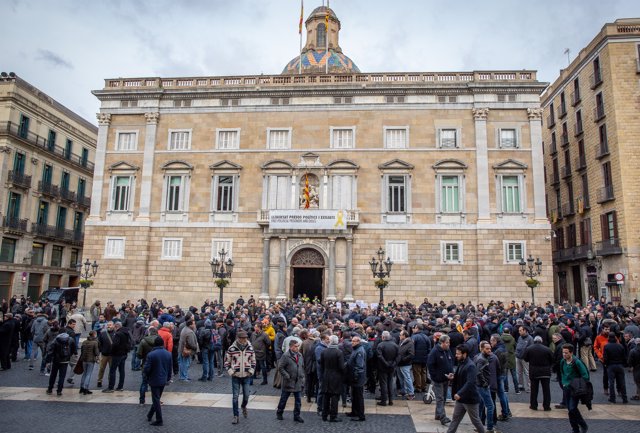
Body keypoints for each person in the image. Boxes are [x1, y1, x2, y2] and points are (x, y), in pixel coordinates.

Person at [447, 344, 485, 433]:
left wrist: (459, 393)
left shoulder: (470, 365)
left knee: (475, 421)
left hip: (469, 399)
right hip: (461, 399)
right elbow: (462, 376)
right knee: (455, 419)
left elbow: (470, 382)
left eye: (458, 354)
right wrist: (453, 377)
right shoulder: (462, 363)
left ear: (464, 354)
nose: (456, 355)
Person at [224, 330, 256, 425]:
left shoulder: (250, 348)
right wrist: (230, 371)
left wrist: (251, 370)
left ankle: (243, 406)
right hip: (236, 376)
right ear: (239, 339)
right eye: (243, 338)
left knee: (246, 395)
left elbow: (253, 361)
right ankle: (235, 416)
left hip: (246, 375)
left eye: (246, 338)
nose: (245, 340)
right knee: (235, 397)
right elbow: (226, 362)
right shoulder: (232, 349)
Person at [560, 344, 589, 433]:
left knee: (572, 408)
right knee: (570, 410)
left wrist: (577, 384)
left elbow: (585, 376)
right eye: (563, 353)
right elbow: (563, 373)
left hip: (575, 390)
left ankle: (583, 424)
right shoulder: (562, 361)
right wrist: (564, 383)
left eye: (566, 353)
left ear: (571, 353)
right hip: (566, 389)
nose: (564, 355)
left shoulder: (577, 362)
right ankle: (575, 429)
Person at [144, 336, 173, 426]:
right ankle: (150, 415)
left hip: (154, 379)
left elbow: (147, 368)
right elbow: (169, 368)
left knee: (156, 399)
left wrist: (146, 376)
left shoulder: (151, 354)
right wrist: (168, 378)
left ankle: (159, 420)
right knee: (157, 398)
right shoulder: (168, 354)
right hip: (163, 379)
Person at [276, 339, 305, 423]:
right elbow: (280, 367)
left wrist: (302, 376)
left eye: (298, 346)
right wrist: (287, 376)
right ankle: (279, 412)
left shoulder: (299, 355)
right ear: (291, 347)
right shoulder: (285, 356)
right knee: (284, 399)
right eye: (296, 346)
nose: (297, 348)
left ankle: (297, 416)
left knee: (298, 401)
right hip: (288, 382)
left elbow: (302, 366)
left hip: (298, 382)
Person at [428, 334, 454, 426]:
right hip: (438, 379)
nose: (449, 344)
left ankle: (438, 415)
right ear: (441, 343)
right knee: (440, 398)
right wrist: (435, 377)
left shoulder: (447, 350)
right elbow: (430, 365)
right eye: (447, 343)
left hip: (446, 378)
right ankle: (443, 417)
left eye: (449, 342)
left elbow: (451, 361)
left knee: (442, 398)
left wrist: (451, 372)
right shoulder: (435, 352)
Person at [523, 335, 554, 411]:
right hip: (545, 372)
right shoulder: (547, 349)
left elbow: (526, 359)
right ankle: (546, 406)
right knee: (546, 390)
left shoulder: (529, 349)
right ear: (541, 341)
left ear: (534, 341)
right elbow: (552, 360)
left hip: (534, 372)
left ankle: (534, 405)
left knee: (534, 390)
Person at [475, 341, 499, 433]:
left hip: (482, 385)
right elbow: (478, 372)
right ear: (482, 349)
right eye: (487, 349)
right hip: (482, 386)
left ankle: (479, 426)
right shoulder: (482, 359)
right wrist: (485, 383)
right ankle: (489, 427)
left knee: (481, 406)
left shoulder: (482, 357)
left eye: (490, 348)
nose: (489, 350)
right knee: (490, 406)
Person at [319, 334, 345, 422]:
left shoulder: (324, 351)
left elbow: (321, 365)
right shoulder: (339, 352)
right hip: (336, 377)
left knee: (326, 396)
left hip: (326, 375)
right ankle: (333, 416)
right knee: (334, 397)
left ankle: (324, 415)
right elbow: (341, 367)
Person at [103, 321, 130, 392]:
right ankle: (120, 387)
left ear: (116, 326)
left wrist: (111, 351)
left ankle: (111, 387)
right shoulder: (126, 333)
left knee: (112, 371)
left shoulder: (118, 334)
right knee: (122, 371)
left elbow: (115, 344)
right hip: (124, 354)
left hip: (117, 354)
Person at [346, 335, 367, 422]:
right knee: (354, 396)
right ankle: (354, 412)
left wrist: (355, 376)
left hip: (358, 378)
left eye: (354, 341)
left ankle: (361, 415)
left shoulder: (359, 351)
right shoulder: (356, 349)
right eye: (352, 341)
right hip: (354, 377)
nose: (352, 342)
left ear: (358, 342)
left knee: (359, 397)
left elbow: (359, 366)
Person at [376, 330, 399, 406]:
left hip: (383, 367)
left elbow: (379, 356)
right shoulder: (395, 345)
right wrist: (394, 363)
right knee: (390, 383)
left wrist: (386, 363)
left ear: (383, 337)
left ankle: (384, 400)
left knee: (383, 384)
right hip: (392, 366)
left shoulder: (380, 345)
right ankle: (390, 400)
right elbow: (399, 356)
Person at [603, 333, 628, 403]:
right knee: (622, 382)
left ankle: (612, 398)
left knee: (611, 383)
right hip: (620, 365)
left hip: (611, 366)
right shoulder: (620, 346)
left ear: (608, 338)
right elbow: (624, 357)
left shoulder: (606, 346)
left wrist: (606, 364)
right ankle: (624, 398)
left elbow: (605, 358)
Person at [78, 330, 100, 394]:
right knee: (88, 374)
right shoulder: (95, 342)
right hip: (91, 360)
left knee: (84, 373)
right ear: (94, 335)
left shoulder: (84, 342)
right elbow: (97, 353)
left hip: (84, 359)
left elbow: (82, 350)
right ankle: (86, 388)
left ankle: (81, 388)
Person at [398, 330, 416, 400]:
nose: (399, 336)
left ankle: (411, 393)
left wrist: (403, 359)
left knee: (407, 378)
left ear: (404, 336)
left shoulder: (410, 343)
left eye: (400, 335)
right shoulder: (401, 342)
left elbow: (411, 354)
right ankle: (403, 391)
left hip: (405, 364)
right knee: (401, 378)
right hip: (399, 363)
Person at [515, 326, 533, 393]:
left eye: (520, 330)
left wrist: (527, 357)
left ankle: (529, 387)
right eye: (519, 330)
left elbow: (530, 349)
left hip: (525, 358)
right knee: (519, 372)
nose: (519, 332)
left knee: (527, 373)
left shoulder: (530, 338)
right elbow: (518, 345)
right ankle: (521, 385)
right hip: (518, 357)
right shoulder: (520, 337)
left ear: (525, 330)